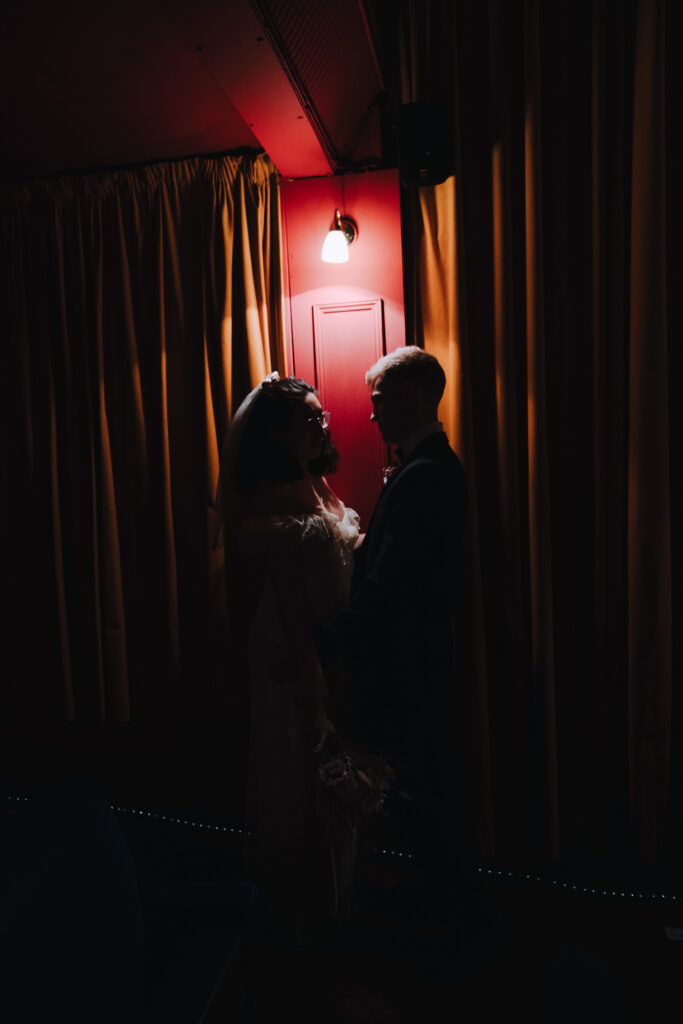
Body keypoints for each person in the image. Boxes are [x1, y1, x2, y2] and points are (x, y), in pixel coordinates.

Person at [315, 346, 473, 940]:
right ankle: (442, 906)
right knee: (420, 792)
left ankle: (452, 921)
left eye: (379, 402)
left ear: (407, 398)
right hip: (415, 660)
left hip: (407, 666)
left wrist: (328, 643)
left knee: (421, 794)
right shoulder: (429, 465)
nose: (373, 415)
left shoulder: (426, 473)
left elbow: (391, 583)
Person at [220, 372, 361, 946]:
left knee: (330, 764)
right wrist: (310, 672)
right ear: (278, 433)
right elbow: (288, 599)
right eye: (307, 418)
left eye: (319, 414)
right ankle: (301, 902)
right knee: (300, 763)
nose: (320, 423)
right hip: (288, 646)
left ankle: (336, 888)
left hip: (324, 642)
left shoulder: (314, 479)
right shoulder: (274, 496)